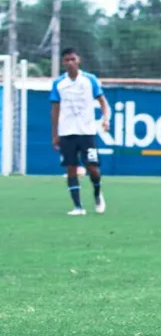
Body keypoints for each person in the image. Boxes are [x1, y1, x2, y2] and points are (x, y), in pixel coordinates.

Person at [50, 47, 109, 216]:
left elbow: (103, 102)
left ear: (79, 60)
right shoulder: (59, 84)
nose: (70, 63)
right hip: (67, 132)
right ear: (63, 62)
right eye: (67, 60)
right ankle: (78, 207)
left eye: (73, 59)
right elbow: (55, 110)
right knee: (71, 168)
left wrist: (106, 119)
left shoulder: (90, 80)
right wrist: (55, 134)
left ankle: (97, 194)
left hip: (87, 132)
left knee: (93, 168)